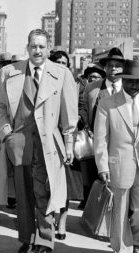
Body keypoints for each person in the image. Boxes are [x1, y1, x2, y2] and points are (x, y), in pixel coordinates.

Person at [0, 28, 77, 253]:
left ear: (47, 48)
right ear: (26, 48)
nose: (37, 50)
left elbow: (70, 115)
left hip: (49, 145)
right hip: (19, 144)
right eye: (33, 46)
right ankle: (27, 238)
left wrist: (68, 144)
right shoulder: (9, 72)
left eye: (41, 46)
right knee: (23, 194)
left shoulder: (61, 73)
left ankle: (45, 245)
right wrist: (6, 132)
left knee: (45, 194)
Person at [94, 59, 139, 253]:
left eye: (138, 82)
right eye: (130, 81)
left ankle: (134, 241)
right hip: (118, 166)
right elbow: (101, 139)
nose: (134, 86)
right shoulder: (107, 103)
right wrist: (103, 166)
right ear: (122, 79)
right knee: (119, 212)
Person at [79, 47, 125, 207]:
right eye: (110, 65)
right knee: (97, 183)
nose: (114, 69)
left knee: (120, 184)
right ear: (105, 67)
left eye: (118, 65)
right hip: (98, 144)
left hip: (122, 146)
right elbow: (84, 109)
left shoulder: (129, 87)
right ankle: (96, 220)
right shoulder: (93, 88)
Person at [49, 50, 83, 240]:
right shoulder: (45, 81)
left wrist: (77, 118)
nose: (62, 65)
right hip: (49, 139)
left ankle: (61, 224)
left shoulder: (75, 83)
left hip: (69, 139)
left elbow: (83, 107)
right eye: (58, 62)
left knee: (66, 186)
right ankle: (48, 220)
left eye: (65, 62)